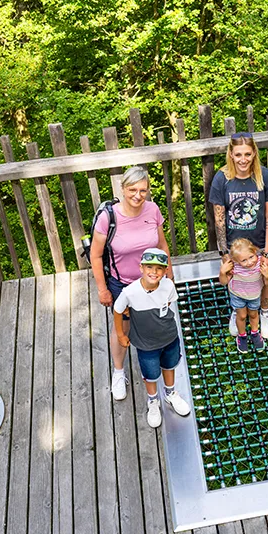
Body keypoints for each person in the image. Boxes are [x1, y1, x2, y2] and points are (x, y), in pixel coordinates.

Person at [90, 166, 173, 401]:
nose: (138, 195)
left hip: (153, 282)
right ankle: (118, 372)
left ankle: (158, 373)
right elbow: (96, 255)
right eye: (132, 189)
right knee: (122, 329)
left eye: (143, 190)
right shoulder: (109, 217)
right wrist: (102, 289)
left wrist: (170, 275)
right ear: (123, 189)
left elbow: (162, 245)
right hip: (122, 285)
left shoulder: (153, 210)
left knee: (154, 324)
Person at [209, 132, 268, 339]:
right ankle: (237, 311)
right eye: (238, 154)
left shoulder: (263, 176)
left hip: (258, 243)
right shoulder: (222, 179)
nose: (243, 159)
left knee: (264, 278)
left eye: (247, 154)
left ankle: (264, 311)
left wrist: (267, 250)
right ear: (230, 154)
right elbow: (219, 218)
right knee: (235, 278)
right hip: (234, 246)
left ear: (254, 153)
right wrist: (223, 250)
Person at [113, 248, 191, 428]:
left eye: (159, 268)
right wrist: (120, 334)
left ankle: (170, 393)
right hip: (146, 344)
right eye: (149, 267)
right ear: (141, 268)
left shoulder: (168, 286)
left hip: (169, 337)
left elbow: (169, 302)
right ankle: (153, 401)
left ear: (165, 271)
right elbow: (118, 310)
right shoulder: (130, 292)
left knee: (169, 366)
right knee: (151, 374)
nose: (154, 272)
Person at [219, 238, 268, 353]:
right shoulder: (233, 266)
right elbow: (223, 282)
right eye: (243, 260)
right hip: (237, 295)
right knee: (242, 315)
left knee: (253, 315)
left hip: (254, 295)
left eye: (251, 257)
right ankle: (242, 335)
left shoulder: (260, 264)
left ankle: (255, 333)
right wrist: (222, 272)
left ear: (255, 252)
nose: (249, 262)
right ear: (236, 260)